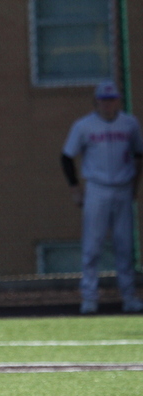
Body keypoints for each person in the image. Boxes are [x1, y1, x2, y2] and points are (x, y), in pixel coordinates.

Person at [61, 81, 143, 314]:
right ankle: (89, 298)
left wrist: (135, 185)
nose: (108, 104)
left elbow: (139, 155)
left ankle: (129, 297)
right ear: (96, 101)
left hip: (123, 188)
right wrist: (75, 188)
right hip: (97, 188)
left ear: (118, 100)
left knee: (124, 245)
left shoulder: (130, 123)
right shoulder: (84, 126)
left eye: (112, 99)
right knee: (92, 246)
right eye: (103, 100)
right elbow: (66, 156)